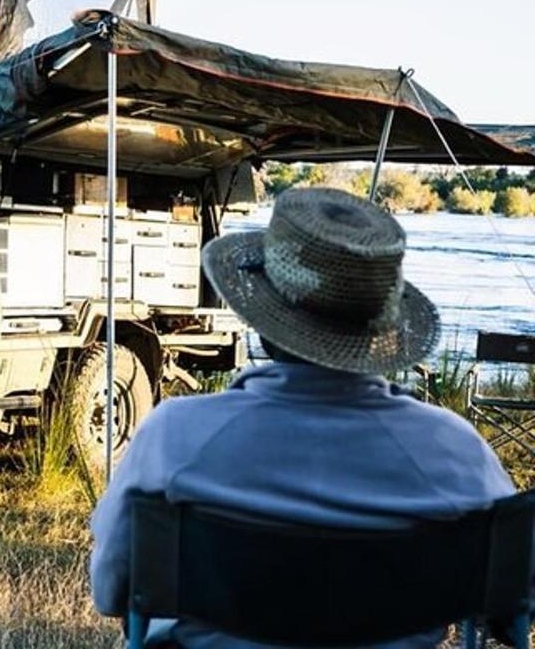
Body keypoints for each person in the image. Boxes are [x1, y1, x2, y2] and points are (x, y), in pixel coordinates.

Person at [89, 187, 516, 648]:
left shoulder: (175, 435)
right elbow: (511, 605)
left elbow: (112, 589)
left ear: (262, 316)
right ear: (382, 329)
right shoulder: (455, 451)